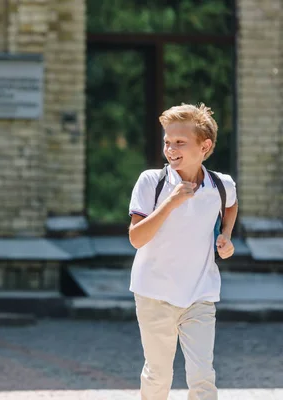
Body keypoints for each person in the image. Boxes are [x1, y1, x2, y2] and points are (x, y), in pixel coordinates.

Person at [128, 103, 238, 400]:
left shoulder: (222, 185)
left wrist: (226, 237)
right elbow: (136, 238)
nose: (170, 148)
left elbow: (230, 206)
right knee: (159, 374)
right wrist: (171, 203)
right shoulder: (152, 182)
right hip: (154, 293)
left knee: (203, 375)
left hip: (200, 294)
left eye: (179, 142)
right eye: (167, 141)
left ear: (205, 146)